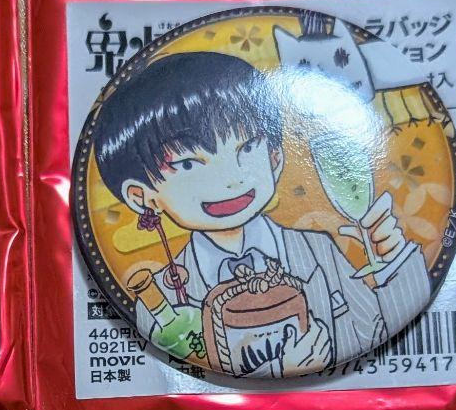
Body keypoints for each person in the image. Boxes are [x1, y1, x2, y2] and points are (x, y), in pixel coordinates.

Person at [91, 50, 431, 375]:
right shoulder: (160, 300)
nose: (232, 178)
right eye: (190, 163)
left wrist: (392, 261)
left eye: (248, 147)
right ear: (142, 196)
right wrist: (280, 371)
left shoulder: (317, 250)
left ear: (274, 158)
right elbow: (179, 377)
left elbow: (378, 331)